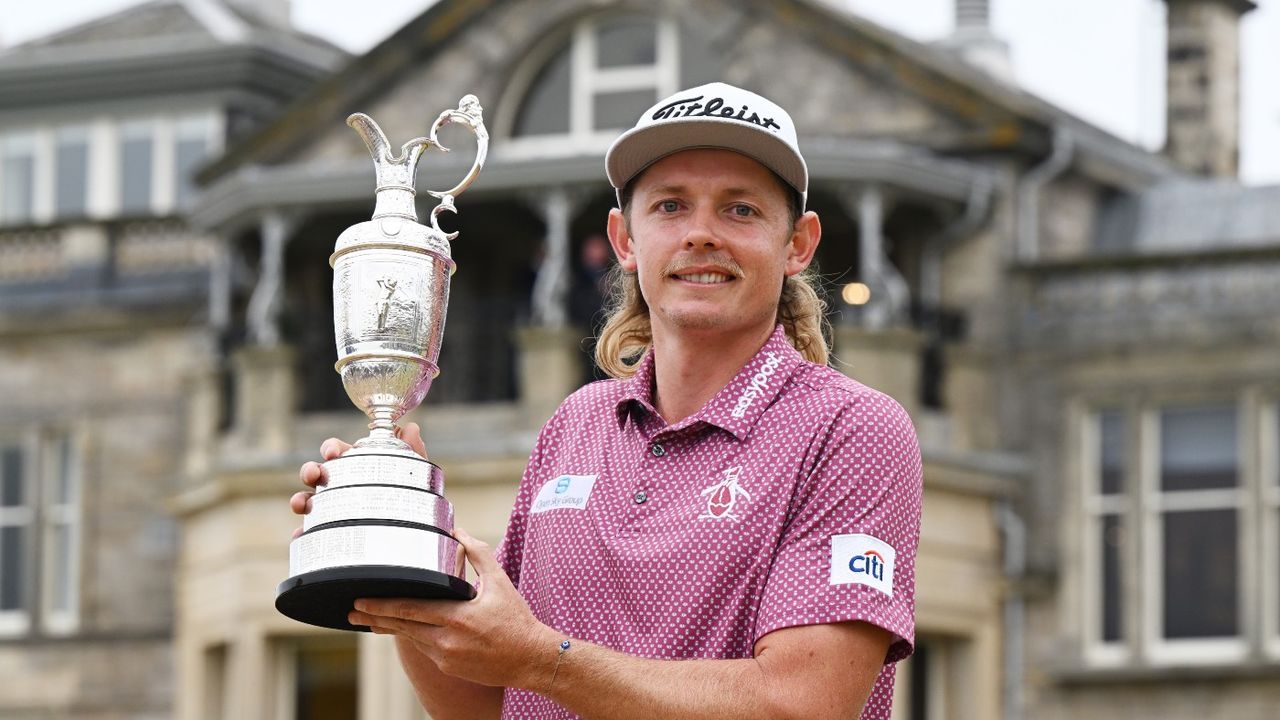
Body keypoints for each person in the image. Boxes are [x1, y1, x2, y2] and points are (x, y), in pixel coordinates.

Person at [292, 82, 922, 720]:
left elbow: (803, 704)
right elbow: (483, 705)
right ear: (624, 239)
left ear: (798, 244)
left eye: (741, 210)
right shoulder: (576, 423)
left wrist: (541, 658)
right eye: (671, 206)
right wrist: (411, 543)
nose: (701, 234)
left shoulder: (852, 429)